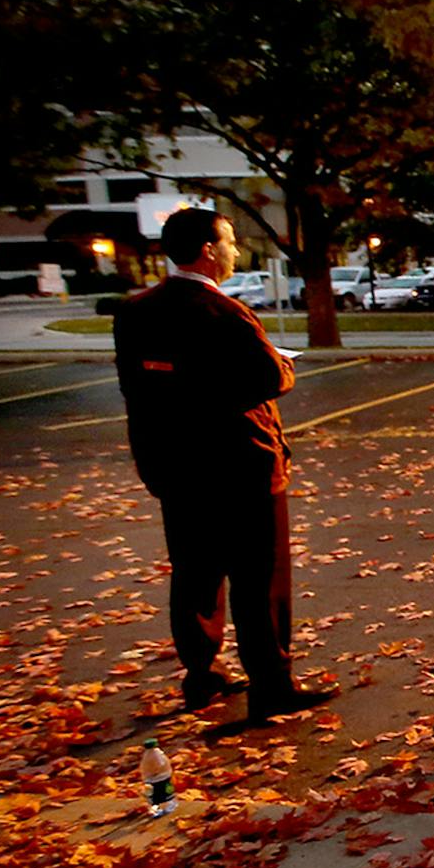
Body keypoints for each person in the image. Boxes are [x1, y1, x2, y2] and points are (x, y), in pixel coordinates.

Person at [113, 208, 335, 723]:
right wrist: (283, 364)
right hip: (242, 467)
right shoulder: (225, 314)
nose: (237, 250)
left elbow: (136, 389)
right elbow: (266, 378)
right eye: (231, 241)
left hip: (176, 468)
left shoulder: (137, 312)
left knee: (195, 574)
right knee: (259, 581)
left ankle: (200, 674)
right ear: (209, 251)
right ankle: (271, 684)